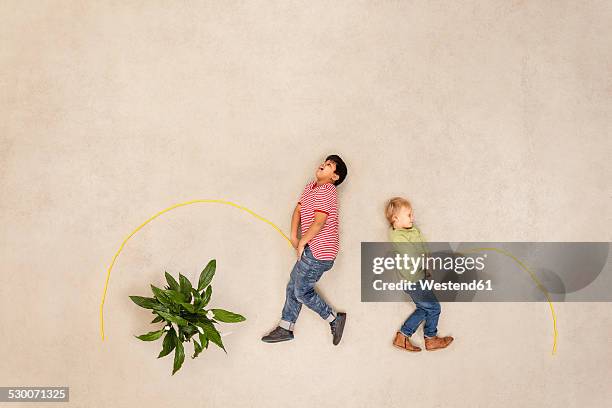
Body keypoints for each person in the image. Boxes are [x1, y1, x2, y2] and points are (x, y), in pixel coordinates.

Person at [262, 155, 348, 345]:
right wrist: (294, 237)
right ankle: (286, 327)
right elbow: (298, 211)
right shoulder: (311, 187)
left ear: (335, 177)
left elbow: (319, 222)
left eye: (329, 166)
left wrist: (301, 243)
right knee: (293, 285)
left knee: (301, 291)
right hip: (311, 248)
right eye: (324, 163)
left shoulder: (328, 190)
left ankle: (334, 318)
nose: (323, 166)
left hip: (321, 252)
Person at [385, 197, 454, 352]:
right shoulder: (398, 236)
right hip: (412, 280)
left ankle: (402, 337)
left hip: (419, 276)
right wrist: (427, 262)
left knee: (424, 308)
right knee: (434, 307)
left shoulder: (412, 229)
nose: (412, 217)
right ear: (396, 218)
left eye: (412, 214)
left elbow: (422, 245)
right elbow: (412, 254)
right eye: (408, 215)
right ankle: (430, 338)